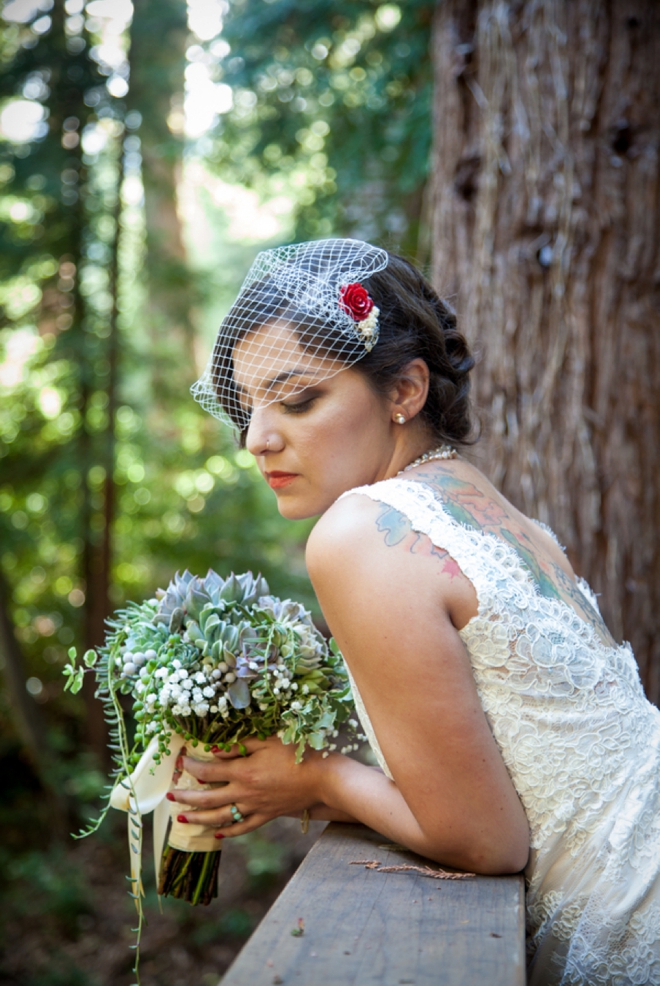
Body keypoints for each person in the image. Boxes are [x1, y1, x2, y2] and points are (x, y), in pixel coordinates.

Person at [174, 239, 660, 986]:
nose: (256, 438)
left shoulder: (361, 532)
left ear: (404, 391)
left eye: (298, 399)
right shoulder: (481, 505)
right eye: (248, 406)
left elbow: (484, 840)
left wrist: (319, 780)